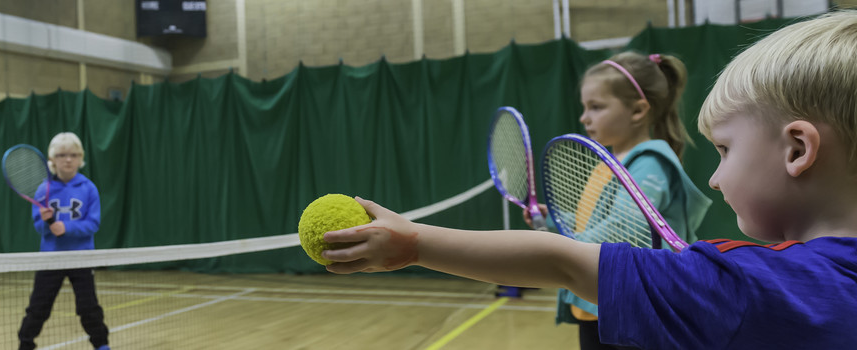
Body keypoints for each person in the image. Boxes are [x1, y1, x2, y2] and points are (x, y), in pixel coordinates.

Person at [322, 11, 857, 349]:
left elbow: (566, 256)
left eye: (724, 150)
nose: (714, 179)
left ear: (797, 149)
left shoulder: (742, 288)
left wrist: (412, 243)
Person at [536, 51, 713, 349]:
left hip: (628, 307)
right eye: (584, 107)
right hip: (596, 302)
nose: (584, 117)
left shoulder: (650, 163)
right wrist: (553, 219)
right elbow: (593, 223)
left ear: (638, 110)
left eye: (596, 107)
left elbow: (624, 228)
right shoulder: (607, 162)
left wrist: (559, 251)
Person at [17, 132, 110, 350]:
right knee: (38, 307)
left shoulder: (89, 188)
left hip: (81, 259)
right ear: (52, 160)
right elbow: (39, 228)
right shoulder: (43, 190)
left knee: (88, 308)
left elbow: (93, 224)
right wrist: (45, 222)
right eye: (61, 155)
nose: (67, 159)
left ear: (80, 158)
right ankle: (25, 344)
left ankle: (102, 345)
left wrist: (66, 227)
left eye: (73, 155)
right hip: (51, 259)